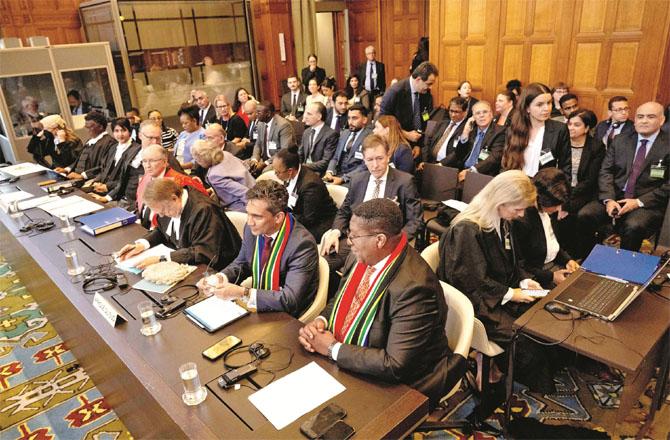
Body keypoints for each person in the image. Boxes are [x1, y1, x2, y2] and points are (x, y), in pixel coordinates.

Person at [299, 198, 457, 408]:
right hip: (356, 353)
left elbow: (395, 365)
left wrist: (332, 349)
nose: (348, 241)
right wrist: (321, 322)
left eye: (354, 236)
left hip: (401, 380)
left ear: (380, 240)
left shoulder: (415, 289)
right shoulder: (360, 257)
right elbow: (341, 300)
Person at [438, 170, 557, 394]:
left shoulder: (501, 220)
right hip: (477, 303)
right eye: (518, 209)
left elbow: (514, 261)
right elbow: (471, 282)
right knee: (525, 335)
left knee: (545, 315)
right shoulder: (467, 230)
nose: (521, 215)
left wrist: (524, 281)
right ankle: (522, 380)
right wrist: (511, 294)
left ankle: (506, 367)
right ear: (500, 202)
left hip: (498, 292)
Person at [198, 180, 319, 317]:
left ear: (278, 217)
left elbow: (290, 299)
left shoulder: (302, 245)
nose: (249, 221)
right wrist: (219, 278)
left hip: (289, 316)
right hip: (258, 301)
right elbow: (242, 263)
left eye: (256, 216)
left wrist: (243, 293)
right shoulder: (252, 229)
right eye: (248, 213)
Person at [321, 134, 422, 272]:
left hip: (384, 245)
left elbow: (415, 221)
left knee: (359, 274)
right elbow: (344, 211)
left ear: (388, 155)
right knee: (322, 266)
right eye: (370, 160)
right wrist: (336, 231)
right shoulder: (357, 180)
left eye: (379, 158)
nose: (375, 165)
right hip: (354, 240)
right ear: (364, 159)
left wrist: (392, 243)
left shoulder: (404, 182)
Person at [577, 101, 668, 253]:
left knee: (633, 226)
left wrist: (638, 202)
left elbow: (667, 185)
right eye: (640, 116)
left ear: (662, 120)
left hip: (646, 202)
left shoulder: (667, 145)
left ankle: (622, 268)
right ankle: (588, 258)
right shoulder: (621, 140)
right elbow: (605, 171)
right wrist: (609, 199)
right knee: (585, 215)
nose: (644, 120)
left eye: (650, 117)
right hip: (615, 196)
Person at [117, 178, 241, 270]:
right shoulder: (169, 205)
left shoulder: (204, 210)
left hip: (218, 268)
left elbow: (203, 252)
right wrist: (141, 245)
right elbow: (162, 231)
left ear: (174, 198)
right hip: (188, 262)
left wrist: (162, 259)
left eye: (163, 211)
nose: (161, 215)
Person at [513, 168, 580, 288]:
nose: (559, 209)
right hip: (535, 276)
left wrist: (567, 260)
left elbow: (551, 242)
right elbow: (519, 266)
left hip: (552, 266)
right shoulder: (522, 219)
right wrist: (551, 277)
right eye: (556, 205)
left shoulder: (548, 209)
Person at [501, 82, 571, 177]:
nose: (546, 108)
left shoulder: (559, 129)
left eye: (549, 103)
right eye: (539, 105)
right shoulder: (514, 128)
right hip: (517, 183)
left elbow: (566, 167)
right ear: (527, 108)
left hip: (544, 187)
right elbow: (505, 163)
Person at [274, 146, 337, 241]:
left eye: (278, 172)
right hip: (298, 215)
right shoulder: (289, 175)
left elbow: (309, 219)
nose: (276, 175)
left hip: (319, 224)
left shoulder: (311, 185)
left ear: (290, 171)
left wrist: (284, 219)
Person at [136, 144, 207, 228]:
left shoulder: (183, 182)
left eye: (152, 161)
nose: (147, 165)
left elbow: (202, 211)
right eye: (144, 161)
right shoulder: (145, 178)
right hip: (142, 226)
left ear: (165, 162)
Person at [381, 61, 438, 156]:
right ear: (418, 79)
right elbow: (382, 122)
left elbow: (425, 119)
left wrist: (418, 145)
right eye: (429, 84)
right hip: (395, 145)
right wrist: (405, 134)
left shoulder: (426, 95)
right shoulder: (394, 92)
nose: (430, 87)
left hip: (415, 146)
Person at [191, 139, 255, 212]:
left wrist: (255, 210)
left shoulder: (214, 175)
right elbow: (245, 168)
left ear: (201, 159)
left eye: (197, 160)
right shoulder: (225, 154)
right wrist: (215, 189)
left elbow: (243, 192)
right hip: (254, 188)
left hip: (243, 205)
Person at [90, 118, 141, 205]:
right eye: (116, 131)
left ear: (130, 131)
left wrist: (107, 193)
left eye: (123, 130)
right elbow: (104, 168)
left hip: (120, 194)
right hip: (105, 189)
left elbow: (128, 180)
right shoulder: (113, 147)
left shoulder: (136, 149)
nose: (120, 134)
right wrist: (95, 182)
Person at [453, 100, 506, 182]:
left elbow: (494, 158)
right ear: (473, 117)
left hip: (483, 174)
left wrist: (471, 171)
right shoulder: (470, 130)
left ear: (491, 114)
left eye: (485, 112)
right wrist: (465, 133)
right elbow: (458, 155)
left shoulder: (500, 132)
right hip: (462, 171)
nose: (481, 115)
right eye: (478, 113)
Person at [324, 105, 372, 185]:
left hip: (356, 179)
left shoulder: (370, 137)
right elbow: (335, 157)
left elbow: (365, 165)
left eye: (354, 118)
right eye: (349, 118)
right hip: (337, 174)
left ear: (364, 120)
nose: (350, 122)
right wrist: (329, 171)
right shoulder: (344, 133)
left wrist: (343, 178)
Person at [61, 110, 115, 180]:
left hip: (91, 180)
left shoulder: (110, 143)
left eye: (90, 127)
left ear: (100, 127)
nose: (87, 130)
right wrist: (67, 169)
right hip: (77, 177)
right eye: (86, 127)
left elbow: (106, 166)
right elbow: (79, 160)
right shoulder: (90, 141)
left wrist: (83, 176)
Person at [420, 97, 468, 169]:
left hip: (448, 167)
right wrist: (425, 161)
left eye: (457, 112)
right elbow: (427, 142)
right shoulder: (442, 123)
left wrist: (441, 164)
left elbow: (458, 153)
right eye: (451, 111)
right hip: (430, 162)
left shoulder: (466, 129)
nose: (453, 115)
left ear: (465, 112)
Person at [249, 101, 296, 174]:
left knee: (265, 171)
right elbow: (258, 144)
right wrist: (254, 159)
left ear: (268, 113)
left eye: (259, 113)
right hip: (264, 158)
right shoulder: (260, 123)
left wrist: (265, 163)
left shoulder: (283, 125)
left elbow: (284, 150)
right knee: (246, 166)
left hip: (279, 159)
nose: (256, 115)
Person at [298, 102, 339, 176]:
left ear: (319, 117)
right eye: (305, 113)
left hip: (319, 172)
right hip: (304, 170)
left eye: (309, 114)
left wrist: (303, 166)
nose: (305, 116)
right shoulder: (306, 132)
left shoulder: (331, 134)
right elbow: (300, 154)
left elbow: (326, 162)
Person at [174, 105, 206, 170]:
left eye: (186, 123)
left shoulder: (203, 135)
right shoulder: (183, 133)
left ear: (194, 121)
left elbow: (201, 159)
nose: (183, 126)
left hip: (192, 170)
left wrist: (181, 166)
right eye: (182, 123)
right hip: (178, 165)